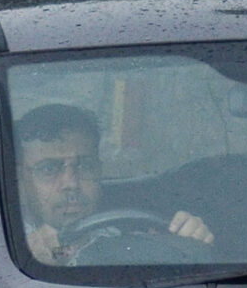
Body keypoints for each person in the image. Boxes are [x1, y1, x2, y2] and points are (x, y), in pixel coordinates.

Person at [14, 104, 212, 265]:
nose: (71, 183)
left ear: (99, 171)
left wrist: (189, 242)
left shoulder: (127, 230)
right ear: (21, 182)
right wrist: (28, 262)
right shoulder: (5, 247)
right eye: (49, 169)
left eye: (85, 166)